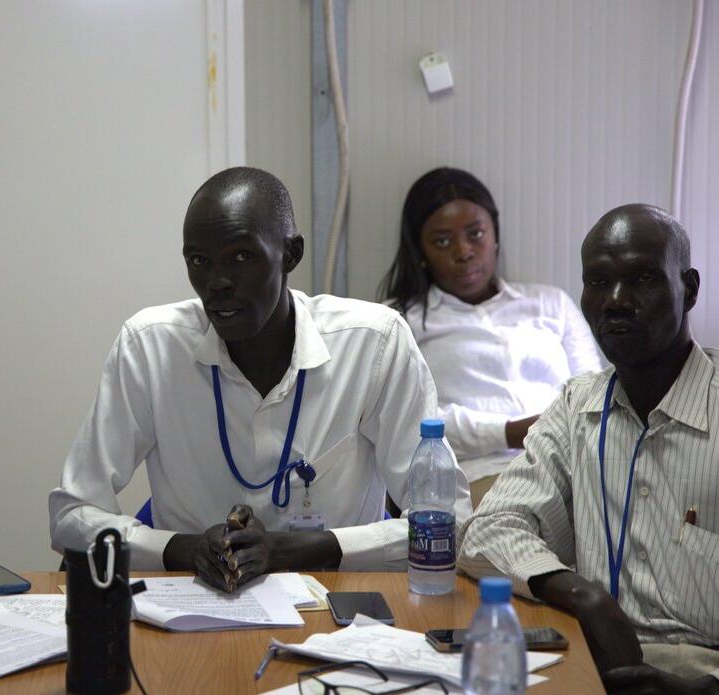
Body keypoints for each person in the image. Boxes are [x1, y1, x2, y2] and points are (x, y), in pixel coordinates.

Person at [49, 167, 471, 591]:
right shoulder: (150, 346)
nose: (217, 283)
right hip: (192, 607)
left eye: (242, 257)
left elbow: (451, 524)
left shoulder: (373, 344)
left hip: (337, 608)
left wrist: (294, 550)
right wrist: (183, 549)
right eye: (199, 261)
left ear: (290, 254)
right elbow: (71, 516)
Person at [458, 204, 719, 692]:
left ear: (689, 288)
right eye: (598, 281)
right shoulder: (578, 406)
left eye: (641, 279)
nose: (616, 301)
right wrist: (584, 597)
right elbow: (486, 531)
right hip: (590, 661)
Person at [378, 168, 601, 506]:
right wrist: (509, 432)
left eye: (476, 233)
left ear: (494, 233)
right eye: (442, 241)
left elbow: (593, 395)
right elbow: (410, 420)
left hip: (574, 467)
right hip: (477, 477)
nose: (463, 251)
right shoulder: (398, 320)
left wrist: (552, 434)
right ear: (419, 251)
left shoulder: (551, 303)